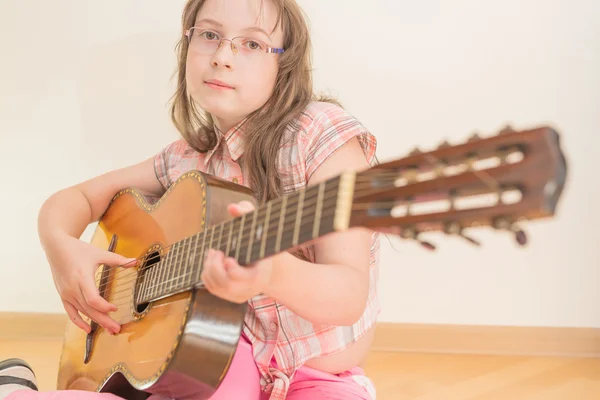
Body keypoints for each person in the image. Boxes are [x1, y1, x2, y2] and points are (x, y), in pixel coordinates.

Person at [0, 0, 381, 399]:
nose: (222, 57)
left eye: (252, 44)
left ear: (284, 66)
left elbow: (349, 294)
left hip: (320, 378)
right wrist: (59, 246)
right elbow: (75, 198)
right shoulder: (185, 161)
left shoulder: (321, 136)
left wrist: (272, 273)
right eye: (210, 35)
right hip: (219, 366)